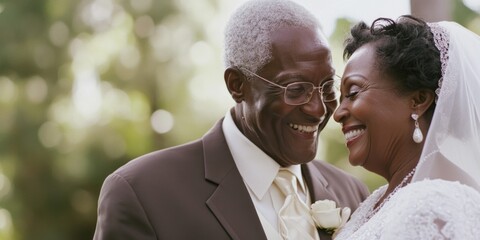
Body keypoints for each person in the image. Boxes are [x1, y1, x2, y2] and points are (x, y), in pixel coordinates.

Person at [93, 0, 369, 239]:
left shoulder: (352, 194)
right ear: (238, 85)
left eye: (326, 87)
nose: (319, 109)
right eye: (296, 90)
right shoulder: (142, 193)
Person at [333, 15, 480, 240]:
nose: (337, 113)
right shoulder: (374, 202)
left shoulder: (433, 206)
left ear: (419, 100)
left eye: (353, 93)